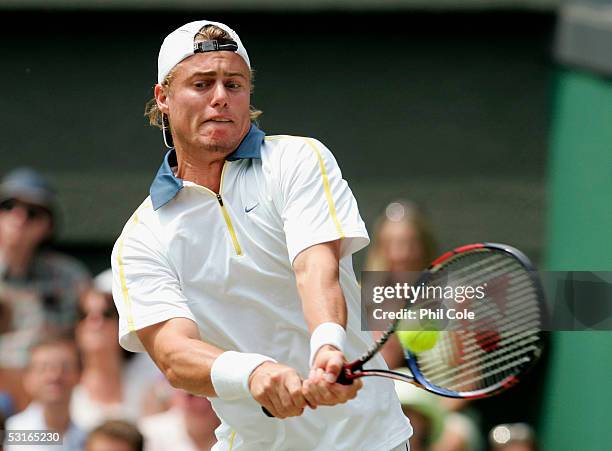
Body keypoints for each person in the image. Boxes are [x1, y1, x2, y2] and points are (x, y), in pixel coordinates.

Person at [112, 20, 411, 450]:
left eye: (234, 84)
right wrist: (254, 373)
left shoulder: (297, 160)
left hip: (368, 441)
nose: (220, 98)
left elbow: (315, 269)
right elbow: (174, 353)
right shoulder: (140, 239)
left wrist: (327, 345)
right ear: (163, 98)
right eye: (202, 83)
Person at [0, 168, 90, 411]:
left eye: (32, 212)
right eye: (8, 206)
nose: (18, 218)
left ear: (47, 225)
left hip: (56, 394)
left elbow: (92, 335)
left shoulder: (69, 277)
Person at [71, 269, 162, 431]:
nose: (95, 321)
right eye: (84, 315)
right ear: (76, 328)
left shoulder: (152, 388)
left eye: (106, 314)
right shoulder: (64, 389)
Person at [365, 200, 437, 368]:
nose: (401, 254)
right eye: (391, 244)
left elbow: (465, 375)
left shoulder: (453, 298)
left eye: (411, 243)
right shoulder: (362, 298)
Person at [4, 337, 87, 451]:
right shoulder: (12, 431)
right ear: (27, 378)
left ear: (79, 376)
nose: (54, 376)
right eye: (43, 368)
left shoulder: (91, 431)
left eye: (65, 368)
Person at [139, 389, 220, 451]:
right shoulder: (148, 433)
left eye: (209, 397)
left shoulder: (231, 432)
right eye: (191, 396)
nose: (201, 405)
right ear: (177, 396)